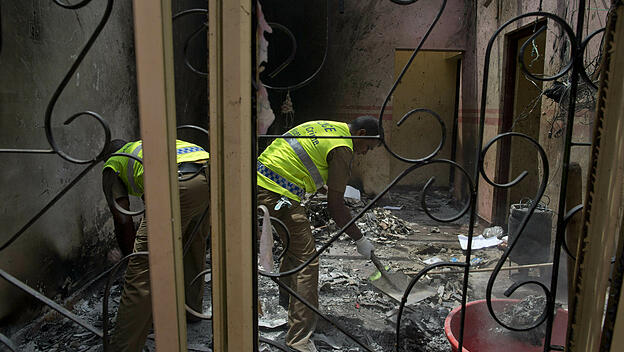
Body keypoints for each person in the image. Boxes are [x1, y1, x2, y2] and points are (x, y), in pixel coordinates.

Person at [257, 116, 382, 352]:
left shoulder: (330, 127)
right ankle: (299, 339)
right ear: (362, 134)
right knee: (307, 261)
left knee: (294, 250)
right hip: (278, 192)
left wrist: (324, 184)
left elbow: (305, 157)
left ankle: (290, 304)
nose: (365, 153)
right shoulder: (344, 147)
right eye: (368, 147)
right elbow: (335, 207)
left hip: (261, 179)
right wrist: (360, 239)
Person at [102, 139, 210, 352]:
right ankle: (191, 309)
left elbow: (122, 219)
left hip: (178, 182)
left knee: (141, 274)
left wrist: (130, 260)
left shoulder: (112, 165)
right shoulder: (148, 144)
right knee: (193, 245)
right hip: (211, 174)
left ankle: (123, 348)